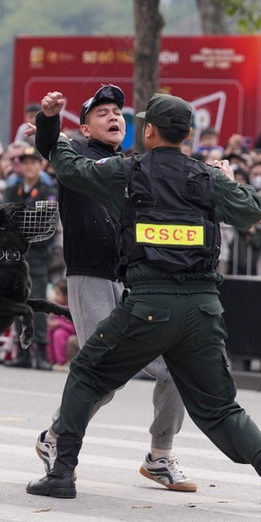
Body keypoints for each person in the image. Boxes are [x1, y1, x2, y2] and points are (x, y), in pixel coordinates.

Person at [25, 91, 261, 512]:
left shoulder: (128, 171)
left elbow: (69, 168)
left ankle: (61, 473)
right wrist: (229, 178)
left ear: (149, 131)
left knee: (88, 373)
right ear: (189, 135)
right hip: (203, 309)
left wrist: (54, 134)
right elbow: (251, 210)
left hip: (148, 304)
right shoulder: (207, 177)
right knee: (222, 408)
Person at [33, 84, 196, 491]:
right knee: (103, 374)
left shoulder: (134, 166)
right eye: (101, 111)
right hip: (90, 277)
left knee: (177, 365)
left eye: (118, 113)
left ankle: (160, 455)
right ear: (84, 129)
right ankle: (56, 438)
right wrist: (50, 117)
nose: (113, 117)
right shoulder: (74, 158)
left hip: (134, 282)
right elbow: (50, 145)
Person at [3, 146, 57, 370]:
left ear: (41, 165)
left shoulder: (47, 190)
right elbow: (5, 218)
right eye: (24, 162)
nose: (28, 166)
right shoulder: (13, 189)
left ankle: (41, 351)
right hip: (15, 255)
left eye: (33, 162)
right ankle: (22, 351)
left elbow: (45, 227)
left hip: (36, 255)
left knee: (37, 302)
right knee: (17, 302)